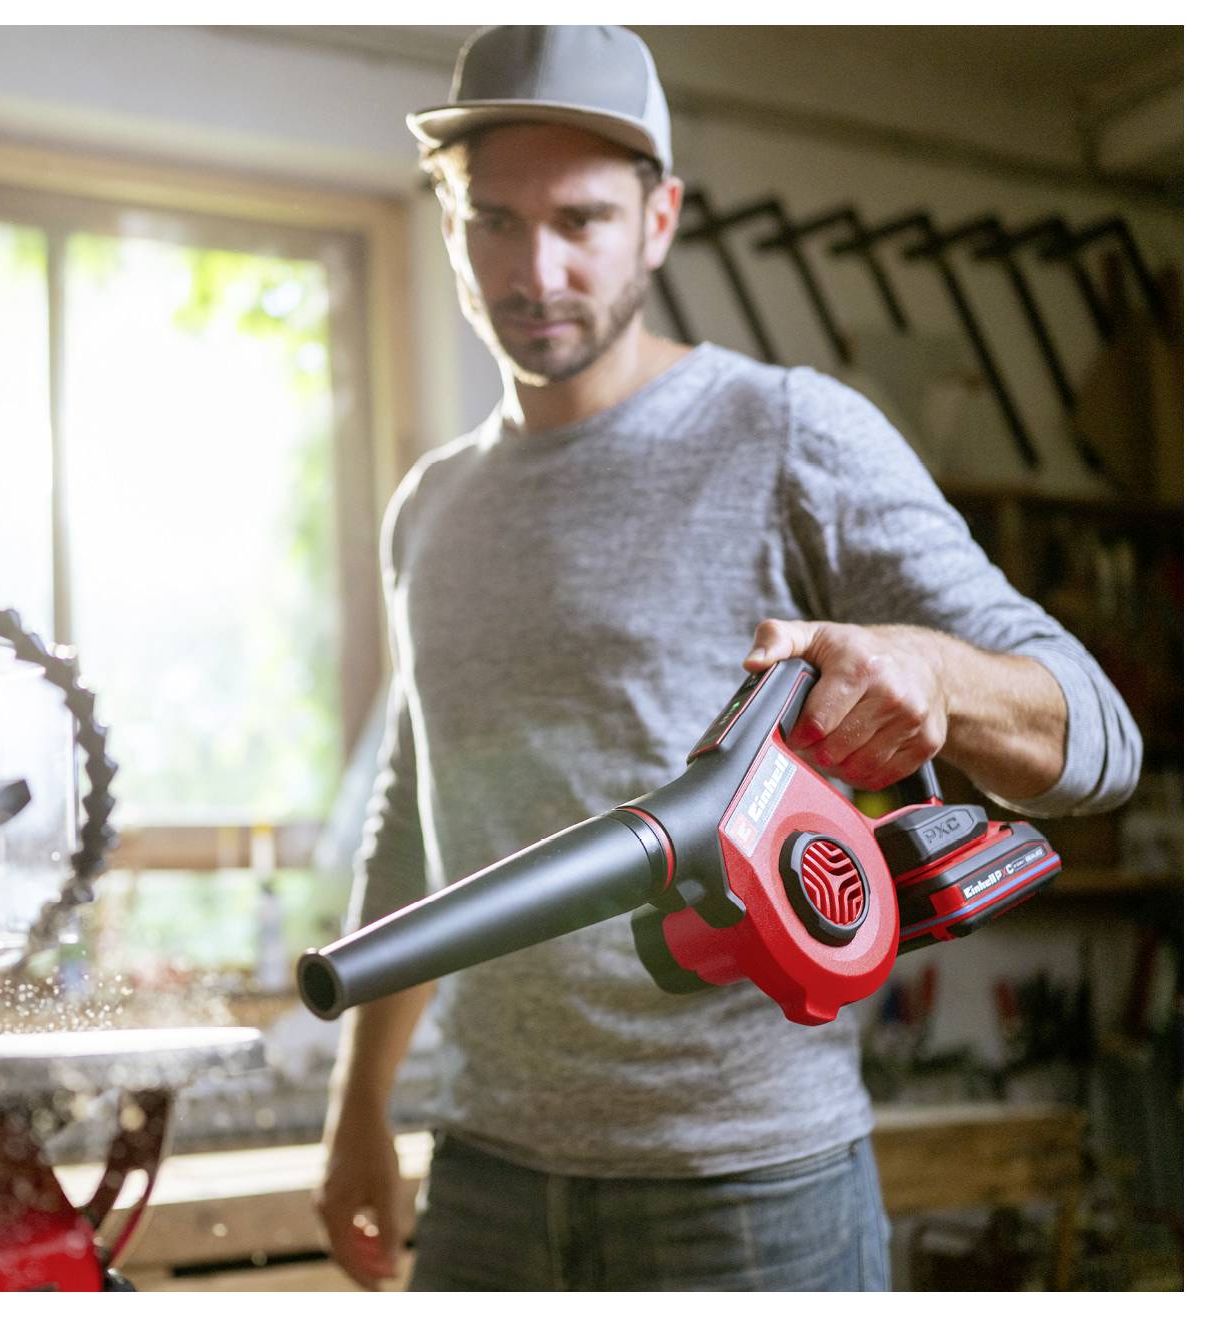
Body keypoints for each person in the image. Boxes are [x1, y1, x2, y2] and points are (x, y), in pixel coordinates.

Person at [313, 25, 1141, 1292]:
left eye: (581, 220)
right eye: (495, 221)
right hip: (484, 1172)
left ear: (658, 221)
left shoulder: (788, 434)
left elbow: (1098, 737)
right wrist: (357, 1103)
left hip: (748, 1189)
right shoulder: (427, 508)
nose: (535, 269)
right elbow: (415, 824)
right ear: (448, 224)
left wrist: (930, 671)